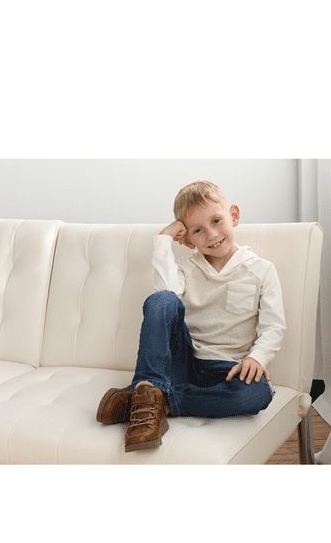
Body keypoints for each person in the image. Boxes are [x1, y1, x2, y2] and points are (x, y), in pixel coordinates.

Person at [95, 180, 284, 452]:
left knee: (259, 393)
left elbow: (273, 326)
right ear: (186, 239)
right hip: (183, 363)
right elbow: (164, 296)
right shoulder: (184, 269)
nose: (211, 235)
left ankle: (156, 402)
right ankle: (150, 388)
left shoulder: (262, 270)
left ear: (234, 215)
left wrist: (257, 357)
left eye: (217, 221)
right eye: (198, 230)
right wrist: (163, 239)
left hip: (227, 370)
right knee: (161, 300)